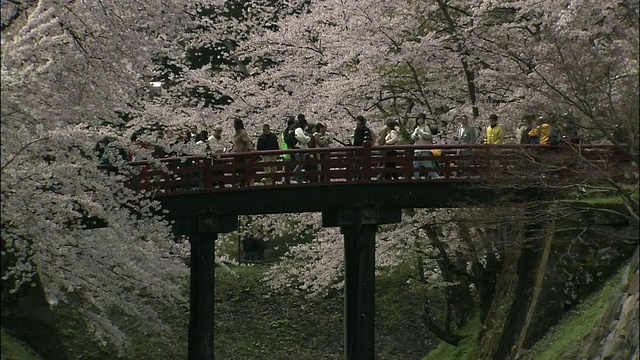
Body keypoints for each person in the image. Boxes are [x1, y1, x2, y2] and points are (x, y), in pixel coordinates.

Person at [411, 113, 439, 179]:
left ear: (423, 120)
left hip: (425, 149)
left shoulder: (426, 127)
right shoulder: (416, 128)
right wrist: (415, 134)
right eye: (418, 119)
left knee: (427, 163)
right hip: (417, 149)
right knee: (415, 164)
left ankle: (435, 176)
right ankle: (416, 176)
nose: (420, 121)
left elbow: (429, 136)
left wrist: (420, 132)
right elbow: (413, 138)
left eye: (421, 119)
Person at [232, 118, 254, 186]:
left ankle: (244, 181)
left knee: (240, 168)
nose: (234, 126)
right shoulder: (237, 132)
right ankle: (241, 181)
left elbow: (247, 142)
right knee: (237, 167)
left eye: (235, 124)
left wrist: (249, 150)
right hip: (237, 153)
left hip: (242, 153)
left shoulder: (242, 132)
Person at [292, 114, 311, 183]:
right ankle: (292, 177)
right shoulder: (298, 129)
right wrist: (309, 138)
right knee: (300, 164)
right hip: (299, 148)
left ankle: (298, 180)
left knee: (300, 164)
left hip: (298, 148)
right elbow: (303, 139)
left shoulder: (296, 128)